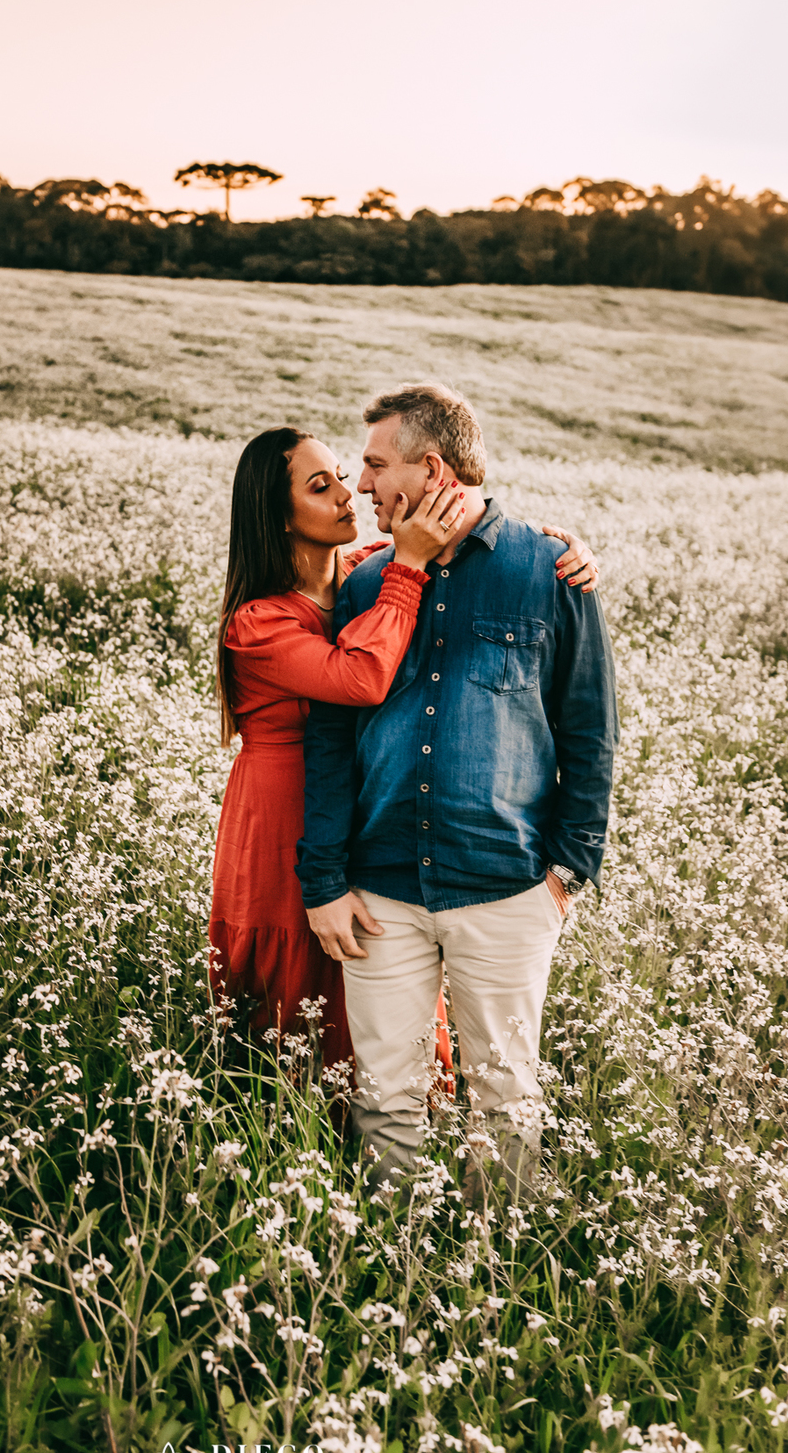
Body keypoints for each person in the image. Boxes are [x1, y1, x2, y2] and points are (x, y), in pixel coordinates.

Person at [295, 383, 618, 1199]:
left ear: (429, 468)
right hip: (379, 893)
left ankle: (498, 1272)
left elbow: (589, 731)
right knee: (385, 1100)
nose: (363, 486)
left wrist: (566, 875)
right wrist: (325, 880)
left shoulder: (550, 571)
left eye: (374, 465)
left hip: (507, 888)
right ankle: (390, 1272)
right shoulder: (364, 588)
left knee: (506, 1098)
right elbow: (330, 746)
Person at [210, 423, 599, 1088]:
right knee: (299, 1019)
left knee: (386, 1026)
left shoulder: (363, 574)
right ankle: (291, 1158)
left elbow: (476, 549)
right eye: (320, 483)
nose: (348, 491)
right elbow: (361, 678)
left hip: (365, 822)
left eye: (342, 471)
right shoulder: (261, 622)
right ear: (278, 518)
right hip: (285, 821)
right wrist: (410, 566)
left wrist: (557, 552)